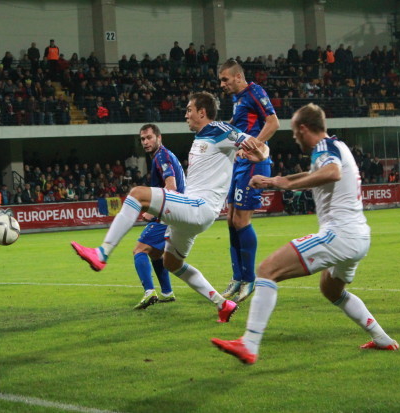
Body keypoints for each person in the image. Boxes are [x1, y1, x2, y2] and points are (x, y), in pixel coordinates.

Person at [211, 103, 399, 365]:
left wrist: (280, 182)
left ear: (303, 128)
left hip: (340, 235)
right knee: (331, 290)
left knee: (267, 270)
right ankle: (382, 339)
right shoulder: (337, 146)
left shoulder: (324, 148)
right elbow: (316, 174)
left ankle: (249, 344)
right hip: (358, 236)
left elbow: (332, 173)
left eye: (294, 132)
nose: (293, 137)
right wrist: (271, 181)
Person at [71, 91, 269, 323]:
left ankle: (101, 253)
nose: (185, 115)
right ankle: (222, 304)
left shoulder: (220, 130)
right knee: (171, 262)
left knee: (137, 194)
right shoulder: (203, 137)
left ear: (202, 112)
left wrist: (260, 155)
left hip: (199, 207)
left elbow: (261, 147)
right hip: (193, 212)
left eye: (189, 110)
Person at [218, 59, 279, 303]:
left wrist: (255, 144)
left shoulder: (255, 92)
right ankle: (237, 277)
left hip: (253, 161)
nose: (222, 84)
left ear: (238, 76)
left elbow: (273, 122)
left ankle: (249, 279)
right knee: (231, 219)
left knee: (242, 220)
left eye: (225, 79)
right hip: (239, 162)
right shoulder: (237, 99)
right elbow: (240, 126)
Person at [131, 124, 185, 309]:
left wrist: (151, 210)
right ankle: (167, 293)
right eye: (142, 139)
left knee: (139, 251)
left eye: (149, 138)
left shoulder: (161, 156)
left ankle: (149, 292)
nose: (145, 142)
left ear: (159, 138)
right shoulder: (164, 155)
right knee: (155, 254)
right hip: (176, 214)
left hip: (168, 214)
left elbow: (171, 187)